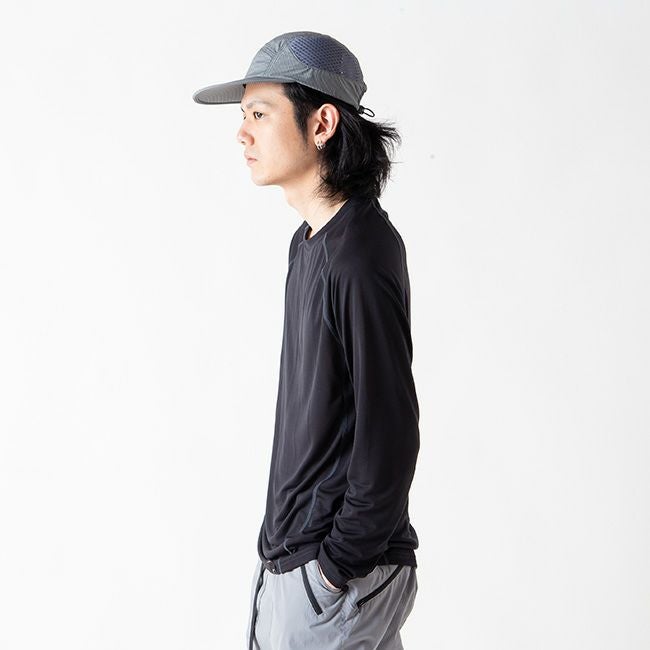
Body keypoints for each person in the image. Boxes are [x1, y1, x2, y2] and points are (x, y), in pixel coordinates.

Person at [193, 30, 421, 650]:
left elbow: (391, 431)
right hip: (296, 565)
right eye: (243, 116)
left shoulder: (360, 253)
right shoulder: (310, 243)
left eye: (259, 114)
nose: (242, 133)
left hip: (331, 576)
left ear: (321, 123)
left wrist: (333, 567)